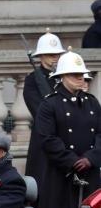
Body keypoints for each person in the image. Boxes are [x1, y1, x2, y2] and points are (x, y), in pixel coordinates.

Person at [34, 49, 101, 208]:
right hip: (61, 174)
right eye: (74, 75)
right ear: (61, 77)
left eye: (82, 75)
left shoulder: (92, 103)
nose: (81, 78)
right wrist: (72, 161)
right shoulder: (49, 105)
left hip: (89, 171)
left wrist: (90, 159)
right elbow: (47, 139)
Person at [23, 30, 65, 187]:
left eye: (57, 54)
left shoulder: (64, 77)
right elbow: (38, 109)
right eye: (49, 54)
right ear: (41, 56)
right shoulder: (32, 80)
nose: (54, 57)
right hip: (45, 137)